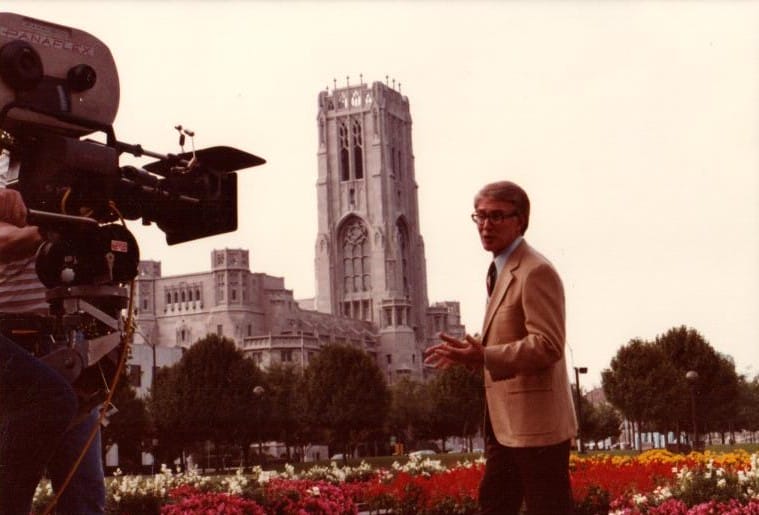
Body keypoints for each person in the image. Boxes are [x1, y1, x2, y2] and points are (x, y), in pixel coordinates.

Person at [425, 180, 577, 515]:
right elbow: (510, 335)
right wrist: (474, 351)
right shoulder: (500, 268)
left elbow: (548, 345)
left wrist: (485, 356)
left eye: (496, 216)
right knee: (495, 503)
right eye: (479, 216)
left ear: (520, 220)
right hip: (504, 423)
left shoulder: (536, 271)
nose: (485, 225)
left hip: (537, 427)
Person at [0, 158, 106, 513]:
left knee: (84, 497)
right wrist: (58, 228)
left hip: (63, 348)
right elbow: (4, 241)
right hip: (12, 351)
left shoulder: (65, 177)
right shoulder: (4, 177)